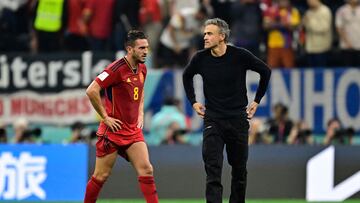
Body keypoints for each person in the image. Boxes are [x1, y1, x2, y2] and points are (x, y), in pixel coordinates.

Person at [182, 18, 271, 203]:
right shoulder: (200, 58)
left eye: (209, 34)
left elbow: (265, 71)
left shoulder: (240, 55)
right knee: (212, 168)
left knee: (239, 170)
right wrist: (193, 102)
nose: (205, 37)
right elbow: (186, 76)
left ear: (222, 36)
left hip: (237, 119)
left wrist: (256, 100)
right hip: (213, 119)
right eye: (205, 33)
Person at [84, 30, 158, 203]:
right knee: (101, 176)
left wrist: (140, 112)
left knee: (146, 169)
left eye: (146, 47)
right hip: (113, 131)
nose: (145, 51)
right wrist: (105, 117)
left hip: (132, 131)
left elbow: (139, 91)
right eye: (141, 48)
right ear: (129, 49)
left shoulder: (142, 68)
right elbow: (91, 90)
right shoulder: (115, 69)